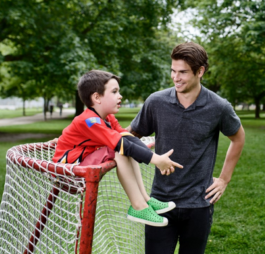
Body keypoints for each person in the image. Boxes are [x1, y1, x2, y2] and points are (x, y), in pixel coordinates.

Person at [126, 42, 245, 253]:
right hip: (159, 203)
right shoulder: (156, 102)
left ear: (200, 71)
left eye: (183, 72)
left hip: (199, 203)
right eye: (173, 70)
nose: (175, 77)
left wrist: (225, 178)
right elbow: (129, 136)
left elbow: (238, 138)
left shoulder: (219, 107)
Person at [52, 70, 183, 227]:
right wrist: (155, 160)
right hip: (67, 174)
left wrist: (154, 156)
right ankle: (138, 206)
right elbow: (121, 145)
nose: (120, 96)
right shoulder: (88, 121)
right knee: (118, 150)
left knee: (125, 146)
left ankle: (145, 200)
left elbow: (129, 138)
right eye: (114, 92)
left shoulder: (107, 117)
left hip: (81, 164)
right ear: (97, 97)